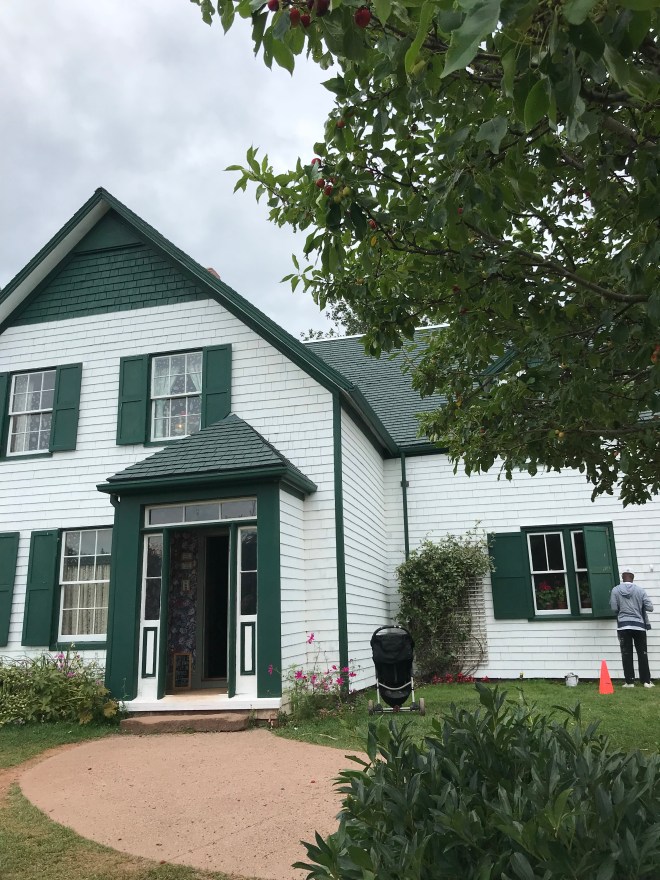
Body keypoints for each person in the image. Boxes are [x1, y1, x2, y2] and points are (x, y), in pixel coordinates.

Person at [610, 570, 654, 688]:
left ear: (622, 578)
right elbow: (650, 607)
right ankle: (646, 681)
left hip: (623, 626)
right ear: (633, 578)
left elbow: (614, 608)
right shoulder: (640, 590)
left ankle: (629, 682)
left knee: (626, 654)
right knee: (642, 653)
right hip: (639, 626)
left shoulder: (615, 590)